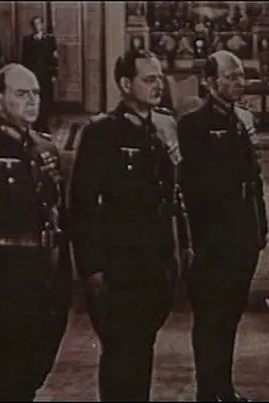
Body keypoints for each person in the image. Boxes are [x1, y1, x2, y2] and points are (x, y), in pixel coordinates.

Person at [69, 49, 194, 401]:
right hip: (119, 264)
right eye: (148, 79)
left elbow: (174, 193)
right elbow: (81, 205)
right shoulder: (102, 132)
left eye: (159, 78)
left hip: (156, 263)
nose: (158, 85)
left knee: (142, 349)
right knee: (120, 354)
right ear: (125, 84)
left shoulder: (163, 128)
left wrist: (184, 243)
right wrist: (91, 267)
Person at [177, 50, 268, 402]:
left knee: (230, 316)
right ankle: (206, 391)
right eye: (230, 77)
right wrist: (198, 242)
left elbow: (254, 180)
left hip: (243, 237)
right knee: (209, 319)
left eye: (240, 76)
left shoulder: (241, 120)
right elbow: (192, 189)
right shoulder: (193, 125)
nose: (238, 82)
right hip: (212, 242)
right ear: (209, 82)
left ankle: (224, 389)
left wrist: (260, 229)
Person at [0, 63, 71, 400]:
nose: (32, 101)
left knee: (29, 380)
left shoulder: (45, 149)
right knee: (4, 386)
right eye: (21, 93)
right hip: (4, 287)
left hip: (43, 286)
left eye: (36, 93)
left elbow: (58, 217)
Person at [22, 16, 59, 133]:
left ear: (42, 25)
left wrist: (54, 74)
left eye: (38, 24)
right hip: (33, 75)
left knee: (46, 100)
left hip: (46, 75)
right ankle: (36, 124)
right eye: (34, 24)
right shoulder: (27, 41)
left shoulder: (50, 39)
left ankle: (44, 124)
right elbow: (25, 59)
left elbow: (54, 58)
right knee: (34, 100)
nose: (36, 27)